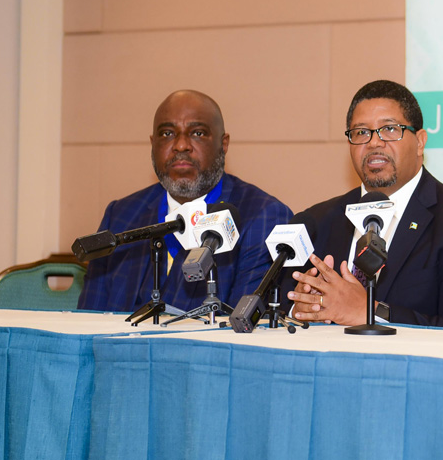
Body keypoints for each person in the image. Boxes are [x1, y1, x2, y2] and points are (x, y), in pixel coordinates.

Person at [285, 80, 443, 328]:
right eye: (361, 132)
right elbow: (279, 305)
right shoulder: (316, 221)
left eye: (389, 129)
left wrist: (370, 311)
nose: (374, 142)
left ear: (420, 142)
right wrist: (300, 308)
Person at [78, 89, 291, 313]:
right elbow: (87, 319)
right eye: (167, 134)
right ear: (152, 144)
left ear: (224, 144)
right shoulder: (121, 214)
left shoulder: (263, 216)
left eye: (198, 133)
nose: (180, 145)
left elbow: (241, 324)